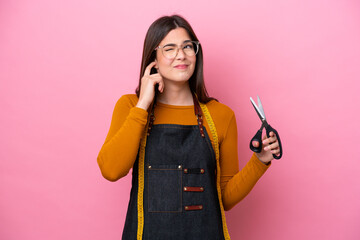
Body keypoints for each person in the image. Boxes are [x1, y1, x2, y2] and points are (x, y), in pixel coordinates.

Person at [97, 15, 281, 240]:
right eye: (170, 48)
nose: (181, 55)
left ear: (196, 53)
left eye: (187, 46)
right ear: (152, 57)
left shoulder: (220, 116)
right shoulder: (130, 107)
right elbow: (111, 170)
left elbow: (225, 199)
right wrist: (143, 103)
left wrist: (260, 160)